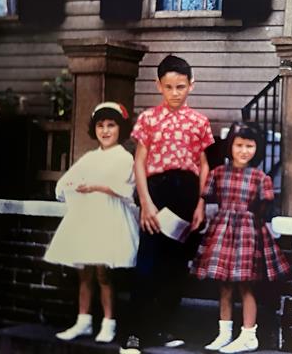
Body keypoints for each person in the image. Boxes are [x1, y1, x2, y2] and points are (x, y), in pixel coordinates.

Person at [120, 55, 214, 354]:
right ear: (158, 85)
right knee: (148, 263)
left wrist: (200, 203)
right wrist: (146, 203)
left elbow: (203, 165)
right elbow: (140, 162)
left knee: (175, 266)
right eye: (169, 86)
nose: (175, 93)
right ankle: (134, 333)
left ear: (191, 86)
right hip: (157, 193)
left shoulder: (199, 122)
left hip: (186, 195)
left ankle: (161, 327)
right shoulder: (148, 119)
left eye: (181, 87)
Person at [192, 122, 290, 353]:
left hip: (247, 234)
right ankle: (224, 333)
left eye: (249, 146)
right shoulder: (218, 173)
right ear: (230, 147)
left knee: (246, 285)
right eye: (239, 145)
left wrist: (250, 223)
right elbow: (207, 197)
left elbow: (264, 207)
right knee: (224, 286)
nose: (244, 151)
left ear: (257, 149)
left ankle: (248, 335)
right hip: (223, 232)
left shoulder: (259, 177)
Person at [44, 102, 138, 344]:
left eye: (111, 125)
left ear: (121, 129)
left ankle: (109, 322)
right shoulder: (90, 157)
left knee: (103, 273)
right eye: (100, 126)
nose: (105, 131)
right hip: (87, 220)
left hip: (109, 219)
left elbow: (124, 188)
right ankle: (83, 321)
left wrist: (95, 186)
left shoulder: (124, 157)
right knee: (84, 272)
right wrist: (72, 185)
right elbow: (66, 181)